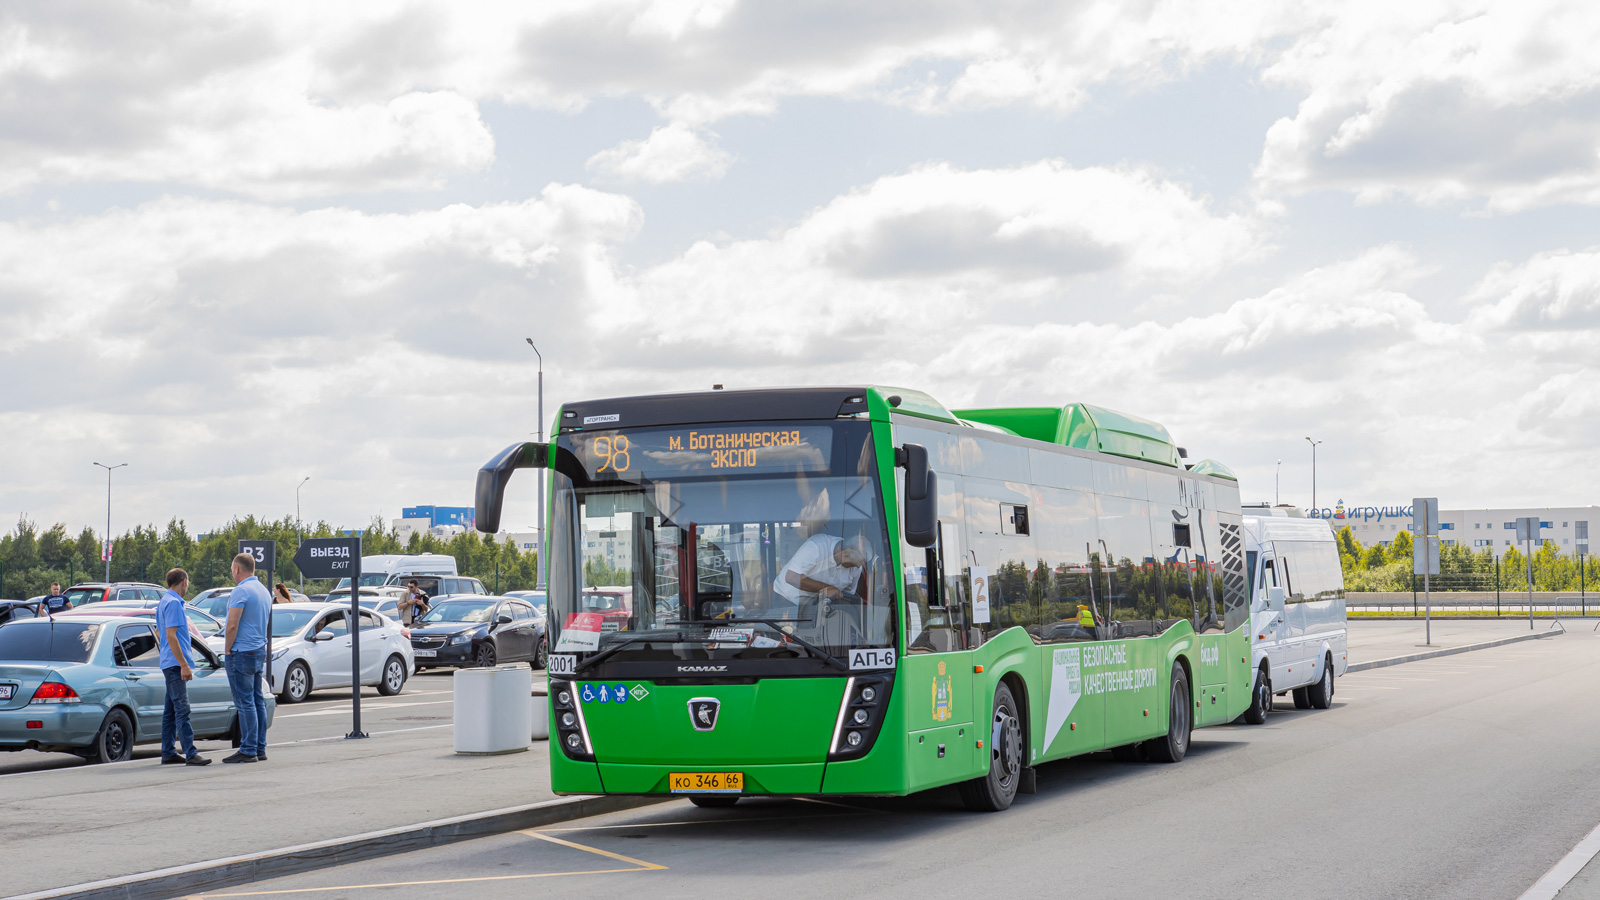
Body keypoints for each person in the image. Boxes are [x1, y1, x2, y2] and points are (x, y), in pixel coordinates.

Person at [156, 568, 210, 766]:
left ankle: (168, 751)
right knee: (182, 708)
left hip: (169, 661)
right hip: (174, 664)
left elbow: (159, 631)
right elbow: (171, 635)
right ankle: (190, 752)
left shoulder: (164, 601)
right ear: (184, 581)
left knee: (170, 710)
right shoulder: (174, 604)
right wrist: (183, 664)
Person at [223, 553, 271, 764]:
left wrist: (227, 650)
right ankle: (259, 747)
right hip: (258, 649)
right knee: (257, 699)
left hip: (242, 651)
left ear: (237, 569)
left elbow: (232, 624)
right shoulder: (263, 591)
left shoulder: (240, 590)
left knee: (244, 702)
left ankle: (248, 748)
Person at [773, 531, 869, 608]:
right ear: (845, 555)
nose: (857, 568)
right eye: (855, 564)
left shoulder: (856, 565)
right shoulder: (816, 547)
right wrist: (826, 589)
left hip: (815, 606)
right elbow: (791, 577)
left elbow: (847, 594)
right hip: (786, 599)